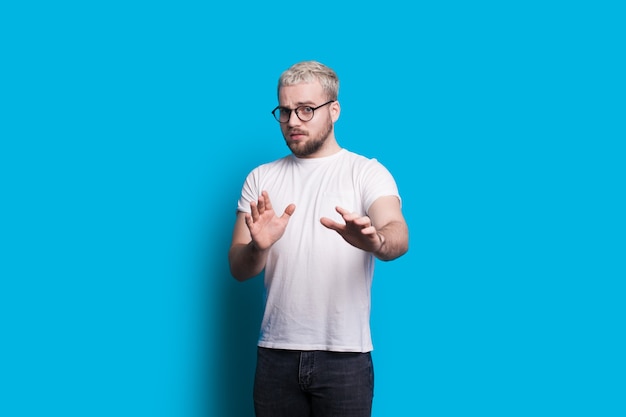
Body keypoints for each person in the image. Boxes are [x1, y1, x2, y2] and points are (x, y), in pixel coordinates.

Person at [228, 60, 409, 417]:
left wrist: (375, 242)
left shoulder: (367, 172)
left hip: (345, 357)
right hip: (275, 355)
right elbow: (238, 267)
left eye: (306, 110)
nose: (293, 121)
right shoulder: (260, 178)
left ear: (334, 110)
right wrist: (258, 247)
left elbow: (397, 232)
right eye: (285, 111)